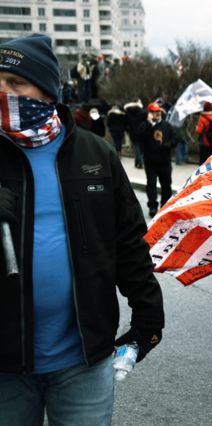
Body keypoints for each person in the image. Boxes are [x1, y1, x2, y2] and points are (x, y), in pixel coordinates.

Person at [0, 33, 164, 425]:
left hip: (83, 360)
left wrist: (148, 318)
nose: (3, 93)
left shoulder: (95, 153)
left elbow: (127, 241)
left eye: (15, 83)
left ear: (48, 89)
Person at [136, 101, 175, 217]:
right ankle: (153, 206)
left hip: (164, 161)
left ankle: (165, 206)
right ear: (149, 113)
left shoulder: (167, 125)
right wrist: (149, 124)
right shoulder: (145, 125)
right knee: (151, 183)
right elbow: (139, 138)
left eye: (158, 111)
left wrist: (167, 145)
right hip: (150, 161)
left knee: (166, 184)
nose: (156, 114)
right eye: (153, 112)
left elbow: (175, 139)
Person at [124, 98, 147, 168]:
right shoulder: (143, 112)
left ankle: (137, 162)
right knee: (142, 148)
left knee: (136, 147)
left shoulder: (128, 112)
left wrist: (128, 130)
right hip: (142, 131)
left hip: (133, 131)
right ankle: (141, 162)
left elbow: (126, 123)